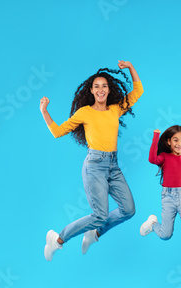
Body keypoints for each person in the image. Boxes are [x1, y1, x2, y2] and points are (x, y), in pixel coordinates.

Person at [39, 61, 143, 262]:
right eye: (97, 86)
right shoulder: (85, 112)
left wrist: (130, 67)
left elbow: (138, 90)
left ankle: (95, 234)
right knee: (99, 215)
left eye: (104, 85)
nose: (101, 89)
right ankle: (58, 239)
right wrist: (44, 111)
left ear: (109, 89)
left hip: (113, 166)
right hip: (94, 166)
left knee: (129, 210)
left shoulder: (115, 109)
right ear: (91, 91)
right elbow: (58, 132)